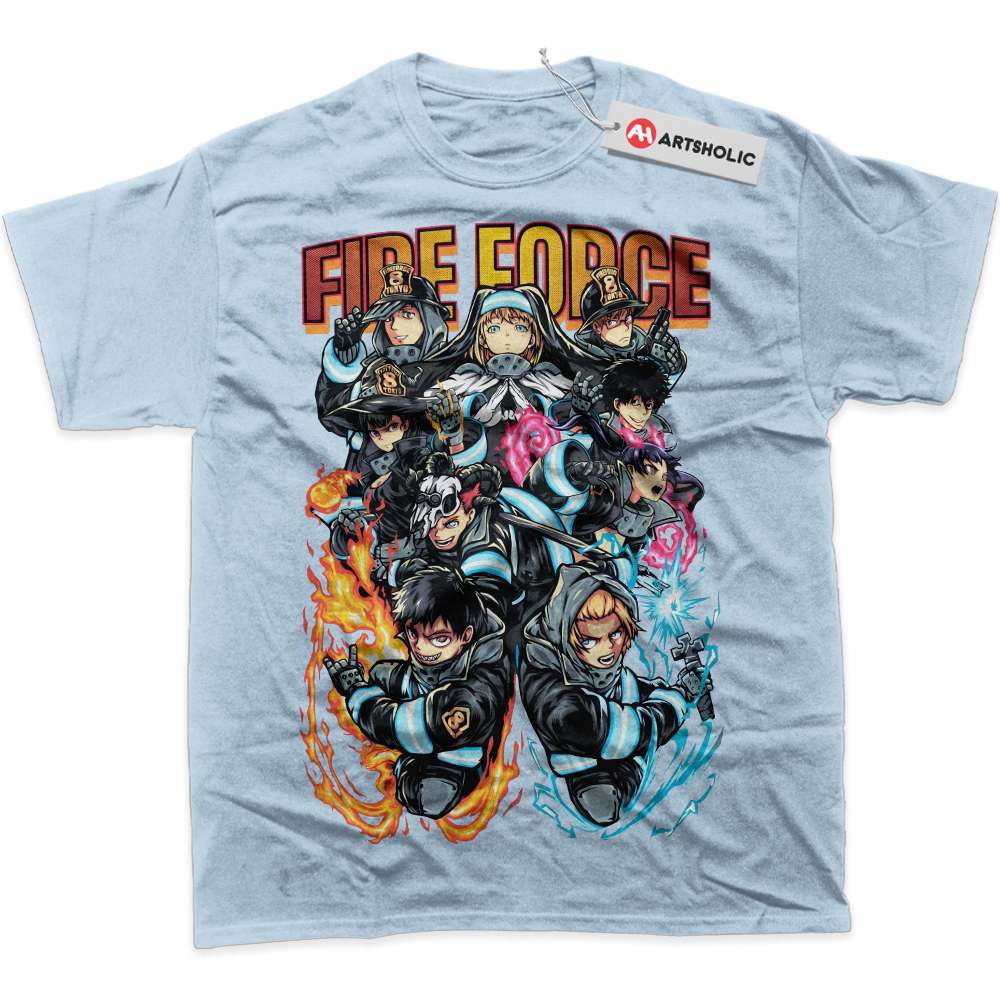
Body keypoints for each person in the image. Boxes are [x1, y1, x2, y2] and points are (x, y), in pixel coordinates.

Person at [519, 565, 704, 827]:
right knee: (602, 799)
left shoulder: (606, 671)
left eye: (615, 634)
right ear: (566, 635)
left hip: (612, 742)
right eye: (589, 640)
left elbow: (628, 687)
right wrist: (672, 705)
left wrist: (678, 692)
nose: (607, 648)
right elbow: (585, 723)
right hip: (581, 753)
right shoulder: (549, 680)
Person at [325, 566, 510, 820]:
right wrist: (379, 679)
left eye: (439, 639)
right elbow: (417, 680)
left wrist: (359, 694)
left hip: (458, 758)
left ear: (466, 636)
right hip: (430, 712)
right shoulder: (444, 655)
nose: (421, 648)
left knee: (425, 795)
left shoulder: (478, 689)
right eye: (413, 634)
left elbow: (408, 726)